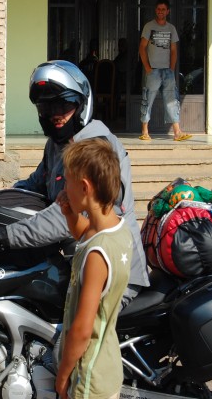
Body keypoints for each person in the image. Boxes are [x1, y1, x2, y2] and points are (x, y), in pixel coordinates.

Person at [0, 60, 149, 308]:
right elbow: (33, 185)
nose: (55, 114)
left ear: (81, 103)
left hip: (112, 271)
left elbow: (65, 217)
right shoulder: (57, 144)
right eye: (46, 106)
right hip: (78, 259)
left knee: (68, 338)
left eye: (63, 104)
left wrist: (4, 236)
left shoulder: (95, 147)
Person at [55, 138, 132, 399]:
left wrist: (63, 375)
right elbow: (86, 235)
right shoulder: (116, 229)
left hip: (88, 379)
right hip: (107, 364)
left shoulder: (97, 255)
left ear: (85, 187)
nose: (64, 187)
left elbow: (82, 329)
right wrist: (70, 214)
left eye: (67, 181)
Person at [138, 0, 191, 142]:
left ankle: (177, 132)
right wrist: (147, 67)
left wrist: (172, 68)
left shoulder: (171, 28)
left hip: (167, 71)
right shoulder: (149, 26)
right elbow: (142, 47)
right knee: (148, 99)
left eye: (163, 9)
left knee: (172, 100)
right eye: (158, 9)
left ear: (168, 11)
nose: (160, 12)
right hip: (153, 70)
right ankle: (145, 131)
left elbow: (174, 50)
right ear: (156, 10)